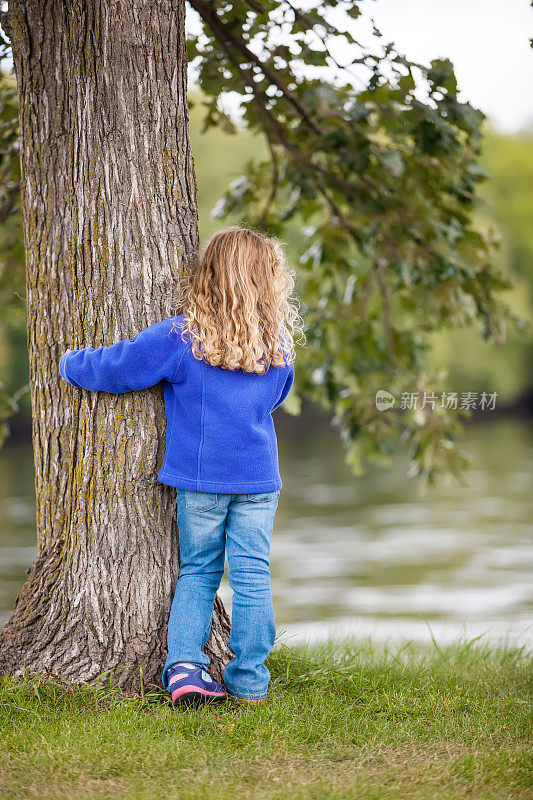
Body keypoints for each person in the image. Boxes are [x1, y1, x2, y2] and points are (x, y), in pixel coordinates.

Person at [59, 226, 303, 707]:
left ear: (207, 276)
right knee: (253, 574)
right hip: (258, 479)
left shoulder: (180, 337)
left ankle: (185, 669)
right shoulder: (277, 347)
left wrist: (70, 364)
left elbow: (120, 367)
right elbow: (277, 397)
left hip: (201, 482)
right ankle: (250, 679)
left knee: (199, 571)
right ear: (268, 282)